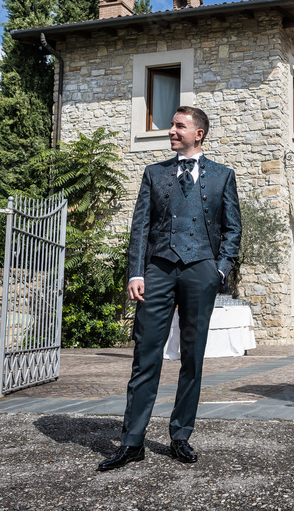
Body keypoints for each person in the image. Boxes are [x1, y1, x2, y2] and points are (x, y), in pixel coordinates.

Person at [98, 106, 242, 471]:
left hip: (202, 271)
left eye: (179, 126)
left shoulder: (223, 176)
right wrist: (136, 273)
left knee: (192, 358)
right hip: (158, 270)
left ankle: (180, 436)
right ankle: (132, 442)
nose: (171, 131)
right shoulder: (154, 173)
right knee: (146, 354)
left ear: (198, 134)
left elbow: (232, 229)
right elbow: (140, 227)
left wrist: (219, 271)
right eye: (172, 125)